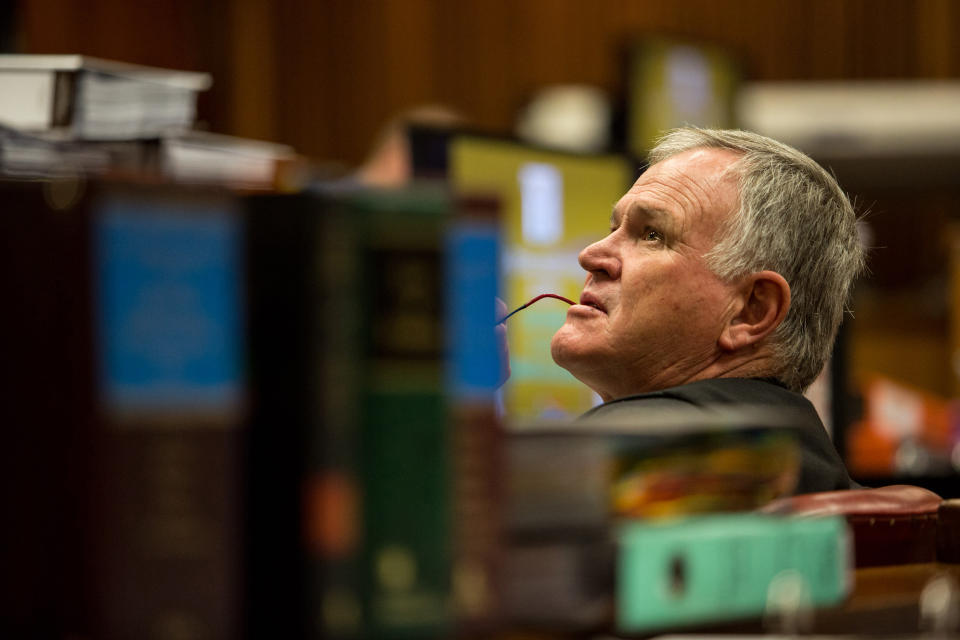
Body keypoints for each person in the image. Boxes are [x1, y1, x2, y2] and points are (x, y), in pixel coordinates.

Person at [548, 126, 865, 494]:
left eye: (652, 234)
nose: (590, 256)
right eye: (613, 228)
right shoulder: (805, 459)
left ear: (751, 310)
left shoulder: (639, 451)